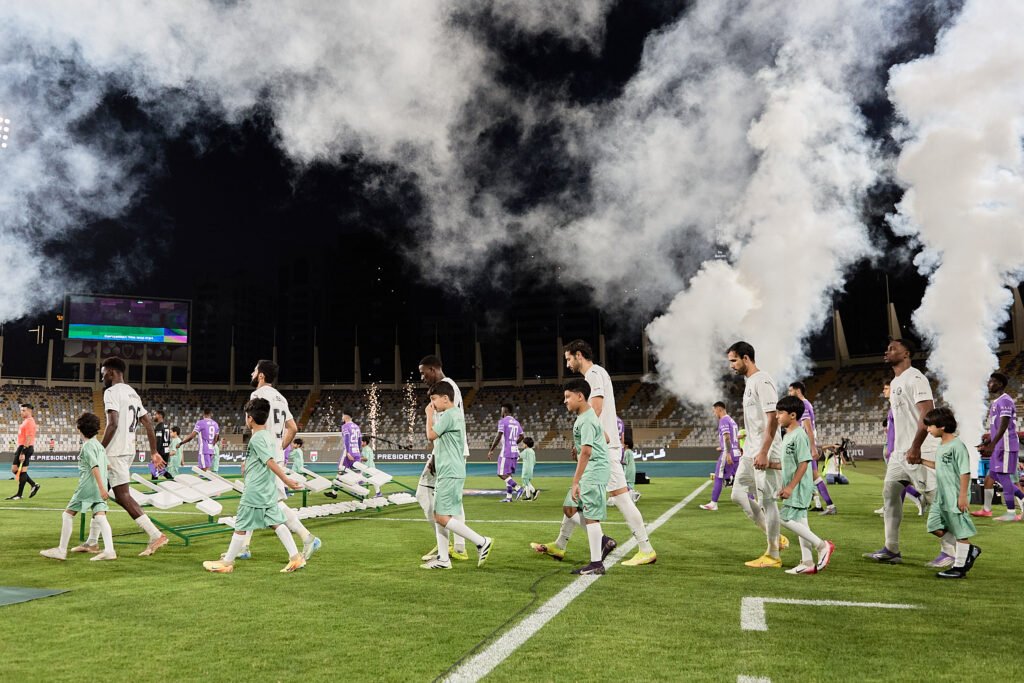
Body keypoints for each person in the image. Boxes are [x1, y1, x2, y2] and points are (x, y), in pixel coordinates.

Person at [559, 339, 656, 566]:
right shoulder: (596, 374)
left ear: (579, 355)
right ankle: (560, 544)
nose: (568, 364)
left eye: (569, 359)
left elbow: (596, 407)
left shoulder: (593, 374)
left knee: (621, 498)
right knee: (575, 497)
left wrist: (586, 439)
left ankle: (645, 548)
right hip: (602, 447)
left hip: (603, 450)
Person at [864, 339, 952, 568]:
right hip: (900, 453)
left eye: (893, 348)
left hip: (921, 449)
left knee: (935, 499)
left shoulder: (915, 378)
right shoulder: (895, 382)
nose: (887, 351)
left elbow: (928, 414)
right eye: (887, 348)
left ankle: (951, 551)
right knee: (890, 495)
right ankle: (891, 549)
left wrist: (915, 447)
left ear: (906, 354)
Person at [73, 357, 167, 557]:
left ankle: (156, 535)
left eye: (103, 373)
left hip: (115, 451)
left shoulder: (112, 392)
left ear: (111, 372)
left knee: (123, 496)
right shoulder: (132, 393)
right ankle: (92, 542)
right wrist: (153, 451)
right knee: (98, 493)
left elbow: (113, 423)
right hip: (128, 450)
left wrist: (99, 450)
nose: (102, 378)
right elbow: (148, 424)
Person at [203, 398, 306, 574]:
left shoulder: (257, 438)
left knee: (241, 525)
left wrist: (286, 480)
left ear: (250, 418)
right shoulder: (268, 437)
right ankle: (296, 557)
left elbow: (269, 461)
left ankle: (227, 562)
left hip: (255, 490)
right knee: (277, 522)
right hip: (267, 488)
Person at [531, 379, 614, 575]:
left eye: (568, 397)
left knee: (591, 516)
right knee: (569, 507)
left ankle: (596, 563)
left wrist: (576, 480)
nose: (565, 401)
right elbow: (606, 438)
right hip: (593, 469)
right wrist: (582, 446)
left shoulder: (586, 420)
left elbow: (587, 452)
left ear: (580, 396)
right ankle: (603, 541)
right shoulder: (588, 416)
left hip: (594, 470)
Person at [241, 359, 320, 561]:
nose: (252, 374)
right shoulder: (281, 398)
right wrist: (281, 447)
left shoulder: (257, 395)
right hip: (275, 455)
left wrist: (248, 457)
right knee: (254, 499)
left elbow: (253, 429)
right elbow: (292, 428)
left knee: (268, 502)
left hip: (262, 457)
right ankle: (244, 546)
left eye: (254, 371)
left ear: (261, 375)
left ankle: (307, 537)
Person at [726, 341, 787, 569]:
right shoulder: (749, 382)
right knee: (737, 494)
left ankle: (773, 554)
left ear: (746, 358)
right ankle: (776, 537)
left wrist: (763, 451)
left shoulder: (763, 380)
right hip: (750, 451)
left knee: (768, 501)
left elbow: (772, 418)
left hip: (765, 451)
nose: (731, 365)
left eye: (734, 360)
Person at [420, 382, 493, 570]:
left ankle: (481, 541)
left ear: (445, 398)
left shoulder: (450, 414)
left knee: (441, 516)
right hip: (449, 471)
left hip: (450, 472)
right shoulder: (454, 415)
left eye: (434, 399)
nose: (432, 403)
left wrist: (429, 415)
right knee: (439, 515)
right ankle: (443, 559)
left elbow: (430, 435)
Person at [40, 412, 116, 561]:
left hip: (87, 487)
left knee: (67, 514)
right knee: (100, 517)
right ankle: (109, 550)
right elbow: (107, 466)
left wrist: (101, 487)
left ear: (80, 429)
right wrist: (103, 487)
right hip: (99, 488)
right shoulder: (99, 446)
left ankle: (61, 550)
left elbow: (94, 466)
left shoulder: (87, 447)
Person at [418, 355, 471, 562]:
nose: (422, 377)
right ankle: (458, 547)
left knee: (424, 493)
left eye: (423, 373)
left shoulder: (446, 390)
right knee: (454, 500)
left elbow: (444, 426)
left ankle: (448, 543)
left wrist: (435, 456)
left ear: (433, 369)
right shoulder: (449, 387)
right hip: (451, 453)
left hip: (448, 453)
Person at [775, 396, 835, 575]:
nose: (777, 416)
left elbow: (804, 463)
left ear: (793, 415)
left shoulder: (800, 435)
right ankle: (807, 562)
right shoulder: (787, 435)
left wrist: (790, 487)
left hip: (799, 486)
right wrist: (769, 465)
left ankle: (822, 545)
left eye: (780, 413)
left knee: (782, 518)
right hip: (794, 485)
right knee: (802, 523)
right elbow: (788, 463)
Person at [923, 407, 982, 579]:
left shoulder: (957, 446)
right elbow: (940, 466)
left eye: (930, 426)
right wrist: (921, 461)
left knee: (961, 531)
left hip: (955, 495)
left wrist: (962, 496)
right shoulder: (942, 445)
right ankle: (969, 549)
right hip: (941, 495)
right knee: (933, 525)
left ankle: (959, 567)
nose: (928, 429)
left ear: (941, 426)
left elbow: (965, 472)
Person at [974, 372, 1023, 521]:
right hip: (999, 445)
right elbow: (996, 427)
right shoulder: (996, 402)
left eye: (992, 382)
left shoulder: (1005, 400)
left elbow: (1004, 424)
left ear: (1000, 384)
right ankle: (988, 509)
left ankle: (1011, 513)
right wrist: (987, 442)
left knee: (1003, 477)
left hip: (1006, 445)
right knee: (993, 476)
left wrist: (993, 444)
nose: (989, 384)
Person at [875, 381, 925, 516]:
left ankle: (916, 498)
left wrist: (893, 449)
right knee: (896, 481)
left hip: (897, 449)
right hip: (892, 448)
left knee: (898, 481)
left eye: (886, 388)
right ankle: (892, 507)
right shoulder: (893, 408)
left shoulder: (899, 408)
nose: (884, 391)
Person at [787, 382, 835, 515]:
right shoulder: (805, 404)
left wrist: (813, 448)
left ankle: (829, 506)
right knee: (807, 476)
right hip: (805, 445)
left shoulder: (803, 405)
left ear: (798, 391)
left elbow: (808, 428)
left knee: (811, 476)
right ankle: (820, 504)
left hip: (806, 446)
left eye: (790, 391)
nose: (789, 393)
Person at [701, 401, 740, 511]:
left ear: (719, 409)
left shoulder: (723, 420)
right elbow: (735, 438)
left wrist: (727, 452)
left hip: (728, 453)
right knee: (740, 479)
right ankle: (752, 501)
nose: (714, 414)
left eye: (714, 411)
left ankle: (713, 503)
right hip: (736, 452)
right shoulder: (732, 420)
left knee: (718, 477)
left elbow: (727, 437)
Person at [487, 403, 524, 502]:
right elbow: (522, 436)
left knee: (501, 473)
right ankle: (509, 497)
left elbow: (498, 436)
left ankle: (518, 488)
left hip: (506, 451)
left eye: (501, 410)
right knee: (508, 474)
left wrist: (491, 450)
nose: (501, 412)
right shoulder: (516, 422)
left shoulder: (503, 421)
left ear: (505, 411)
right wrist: (514, 443)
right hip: (514, 451)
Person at [6, 402, 40, 500]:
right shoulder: (26, 421)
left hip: (25, 447)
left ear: (29, 411)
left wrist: (23, 452)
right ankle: (33, 485)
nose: (21, 412)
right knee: (16, 470)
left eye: (23, 410)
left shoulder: (29, 422)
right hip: (24, 447)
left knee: (20, 470)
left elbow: (29, 437)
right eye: (21, 410)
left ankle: (20, 494)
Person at [148, 410, 174, 481]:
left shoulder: (159, 427)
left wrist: (155, 453)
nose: (154, 416)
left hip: (160, 452)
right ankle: (172, 480)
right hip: (166, 452)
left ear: (160, 416)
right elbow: (168, 440)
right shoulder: (167, 426)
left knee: (154, 469)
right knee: (160, 470)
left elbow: (158, 441)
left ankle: (154, 487)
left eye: (155, 414)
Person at [520, 436, 538, 501]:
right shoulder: (532, 451)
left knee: (525, 480)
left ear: (526, 444)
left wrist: (515, 451)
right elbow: (534, 461)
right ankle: (528, 496)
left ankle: (534, 491)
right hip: (531, 469)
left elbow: (519, 455)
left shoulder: (526, 451)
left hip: (526, 469)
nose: (522, 445)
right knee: (526, 482)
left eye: (523, 443)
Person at [623, 435, 638, 502]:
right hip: (632, 470)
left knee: (627, 486)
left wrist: (618, 461)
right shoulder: (630, 451)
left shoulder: (627, 452)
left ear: (626, 445)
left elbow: (625, 462)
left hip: (628, 471)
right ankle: (633, 497)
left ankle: (634, 496)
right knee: (630, 486)